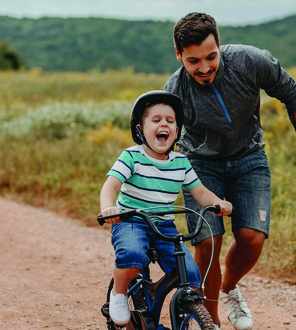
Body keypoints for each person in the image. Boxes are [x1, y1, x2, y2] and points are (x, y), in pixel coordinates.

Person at [164, 12, 296, 330]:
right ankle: (212, 324)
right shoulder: (175, 91)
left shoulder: (250, 61)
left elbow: (291, 93)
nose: (205, 68)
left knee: (252, 238)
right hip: (199, 163)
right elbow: (162, 144)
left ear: (220, 45)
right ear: (179, 55)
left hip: (249, 156)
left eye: (211, 56)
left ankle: (229, 287)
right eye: (193, 61)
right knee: (207, 242)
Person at [99, 90, 234, 327]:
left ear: (176, 130)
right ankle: (119, 294)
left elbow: (200, 191)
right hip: (131, 220)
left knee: (191, 277)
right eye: (156, 120)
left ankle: (183, 314)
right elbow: (111, 185)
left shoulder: (180, 162)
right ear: (140, 128)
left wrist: (217, 202)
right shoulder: (132, 157)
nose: (164, 124)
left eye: (170, 121)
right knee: (132, 256)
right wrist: (109, 208)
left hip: (164, 225)